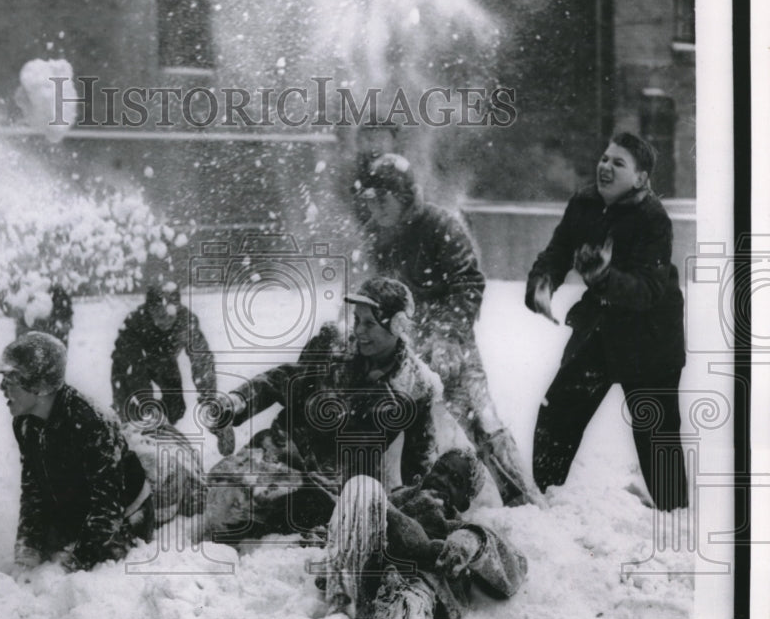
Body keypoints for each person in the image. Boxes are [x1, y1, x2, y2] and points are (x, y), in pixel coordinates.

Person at [201, 276, 474, 543]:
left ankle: (292, 522)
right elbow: (279, 380)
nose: (359, 331)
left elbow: (419, 458)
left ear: (397, 326)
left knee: (275, 516)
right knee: (221, 504)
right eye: (357, 320)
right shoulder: (332, 347)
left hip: (331, 488)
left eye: (369, 323)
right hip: (281, 453)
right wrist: (236, 403)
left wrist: (426, 502)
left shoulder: (416, 387)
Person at [357, 153, 541, 507]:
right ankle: (420, 502)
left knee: (479, 420)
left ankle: (522, 500)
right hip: (407, 341)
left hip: (450, 339)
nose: (375, 208)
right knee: (409, 425)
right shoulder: (378, 235)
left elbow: (469, 281)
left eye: (382, 198)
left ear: (404, 196)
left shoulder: (440, 224)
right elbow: (380, 290)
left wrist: (447, 333)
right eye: (370, 199)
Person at [525, 132, 688, 510]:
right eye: (604, 158)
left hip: (650, 340)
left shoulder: (653, 220)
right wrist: (542, 282)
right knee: (558, 414)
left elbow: (648, 289)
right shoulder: (584, 204)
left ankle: (674, 516)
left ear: (641, 178)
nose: (605, 166)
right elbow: (558, 250)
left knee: (656, 434)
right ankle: (542, 502)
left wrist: (603, 277)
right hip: (599, 329)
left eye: (619, 163)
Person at [0, 331, 154, 571]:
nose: (2, 388)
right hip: (77, 508)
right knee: (40, 558)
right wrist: (27, 548)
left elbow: (108, 509)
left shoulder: (91, 423)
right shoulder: (24, 423)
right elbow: (33, 491)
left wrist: (74, 561)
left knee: (85, 569)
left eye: (9, 381)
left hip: (123, 515)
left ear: (39, 386)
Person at [321, 448, 528, 619]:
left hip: (417, 591)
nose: (442, 480)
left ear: (464, 503)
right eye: (440, 470)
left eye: (455, 481)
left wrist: (472, 540)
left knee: (410, 602)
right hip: (366, 578)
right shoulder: (388, 502)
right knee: (362, 485)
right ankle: (339, 610)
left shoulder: (456, 527)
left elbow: (516, 567)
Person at [111, 279, 234, 457]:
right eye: (160, 317)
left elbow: (202, 360)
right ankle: (129, 449)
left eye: (170, 316)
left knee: (176, 407)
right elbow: (135, 376)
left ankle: (159, 435)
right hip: (128, 365)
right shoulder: (135, 324)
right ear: (150, 310)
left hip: (163, 360)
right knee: (134, 417)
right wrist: (146, 412)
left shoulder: (186, 321)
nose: (165, 323)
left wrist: (209, 400)